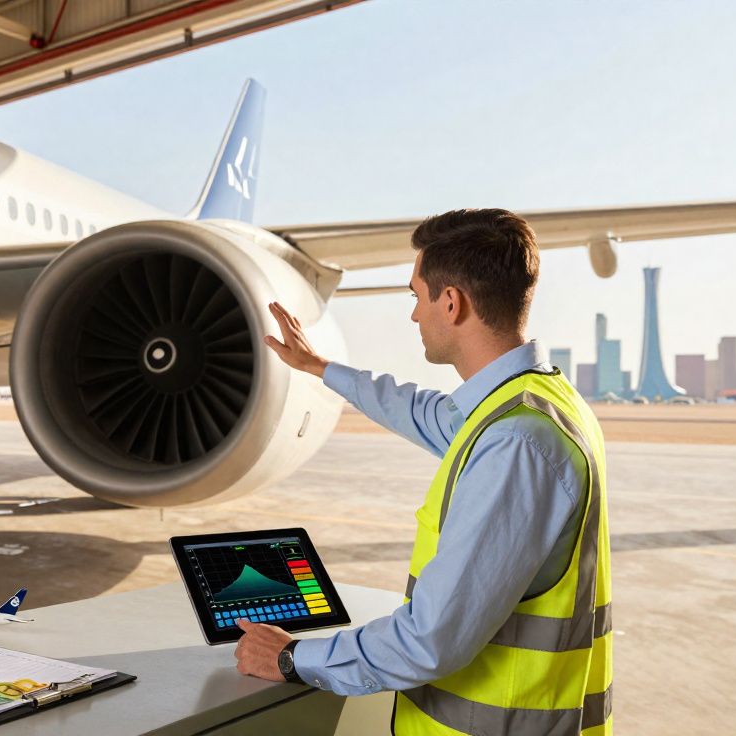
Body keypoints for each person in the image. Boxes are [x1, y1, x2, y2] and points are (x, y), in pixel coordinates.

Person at [234, 209, 612, 735]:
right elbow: (421, 411)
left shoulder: (514, 443)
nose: (414, 315)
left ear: (451, 302)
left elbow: (430, 639)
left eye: (416, 296)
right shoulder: (531, 404)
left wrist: (292, 658)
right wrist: (320, 368)